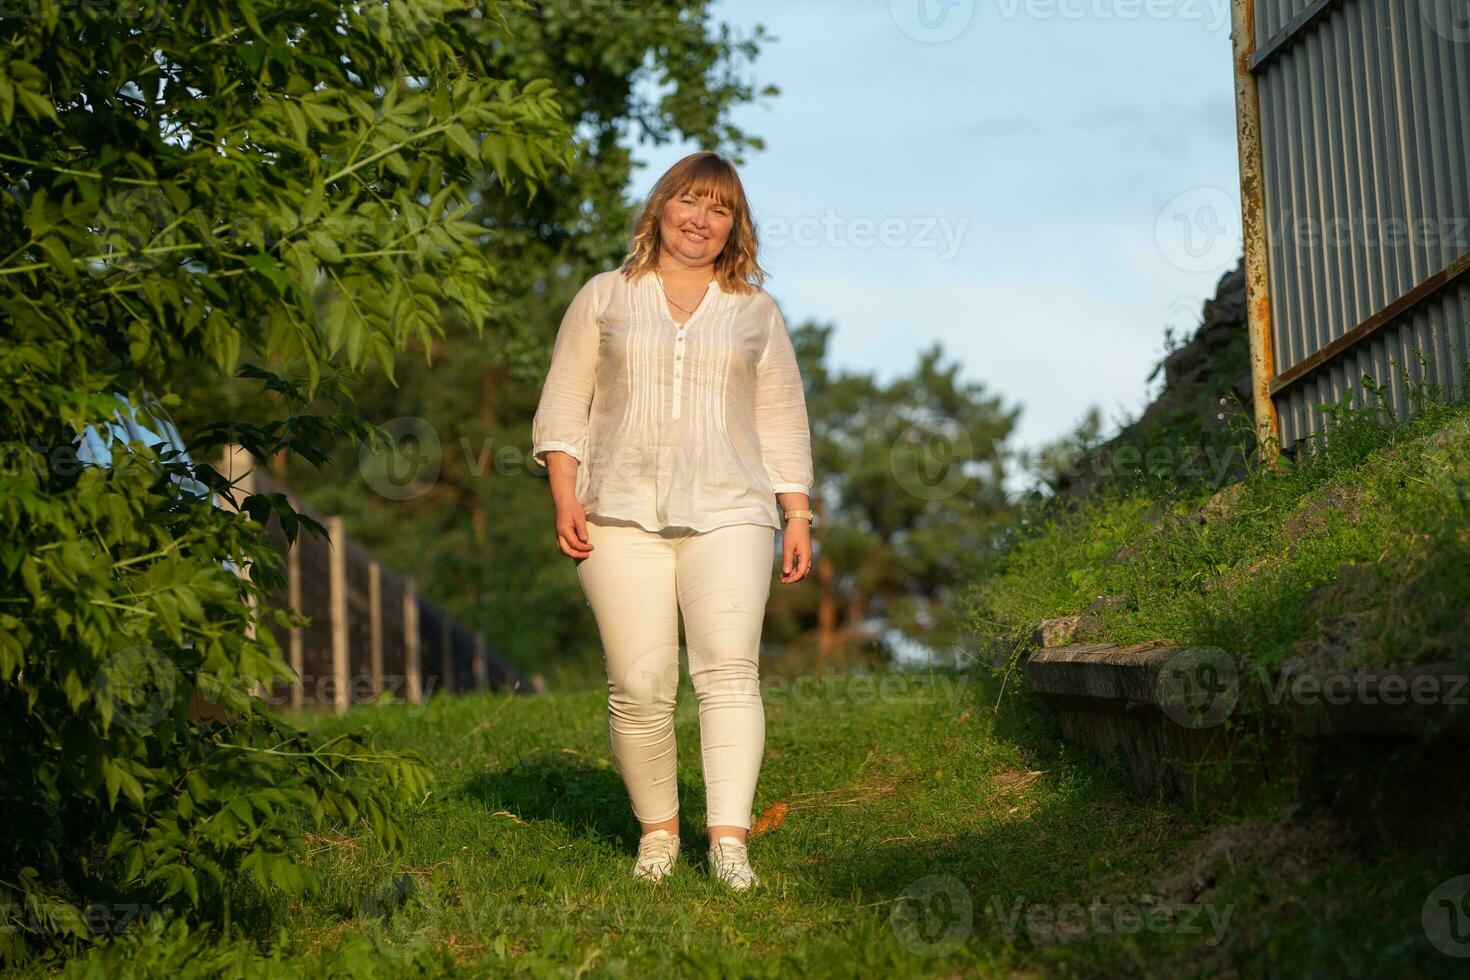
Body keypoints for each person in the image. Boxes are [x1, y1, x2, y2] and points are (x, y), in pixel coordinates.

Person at [530, 150, 815, 891]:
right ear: (659, 208)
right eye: (689, 201)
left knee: (729, 673)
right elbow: (565, 404)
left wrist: (798, 513)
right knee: (639, 683)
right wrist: (565, 493)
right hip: (617, 513)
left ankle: (729, 845)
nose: (701, 219)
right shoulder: (605, 297)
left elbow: (781, 417)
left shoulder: (756, 312)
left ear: (734, 227)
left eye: (719, 209)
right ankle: (658, 834)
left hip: (733, 512)